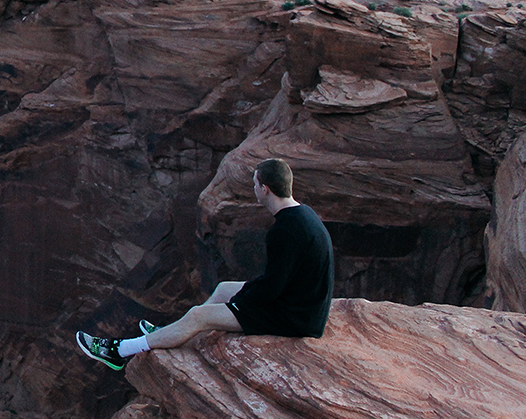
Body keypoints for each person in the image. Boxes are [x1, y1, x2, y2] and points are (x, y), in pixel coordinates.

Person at [76, 157, 334, 371]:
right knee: (222, 289)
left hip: (296, 319)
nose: (253, 189)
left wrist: (241, 303)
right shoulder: (303, 214)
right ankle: (175, 333)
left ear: (265, 189)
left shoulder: (285, 230)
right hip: (301, 303)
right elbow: (280, 280)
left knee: (199, 316)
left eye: (255, 184)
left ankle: (119, 351)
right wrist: (243, 295)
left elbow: (272, 287)